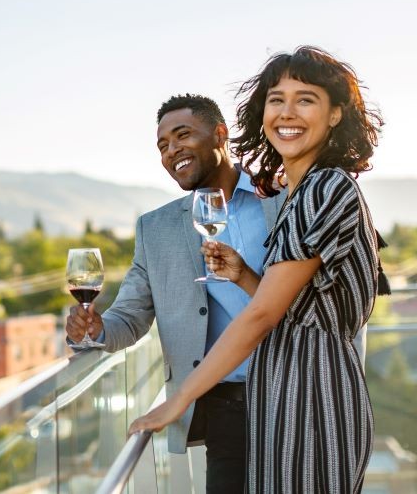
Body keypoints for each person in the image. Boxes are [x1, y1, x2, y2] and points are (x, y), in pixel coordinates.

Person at [129, 46, 389, 493]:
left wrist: (181, 398)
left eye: (305, 99)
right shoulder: (300, 189)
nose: (287, 112)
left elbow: (263, 316)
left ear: (333, 115)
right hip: (285, 395)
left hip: (314, 395)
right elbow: (296, 303)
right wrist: (246, 276)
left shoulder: (324, 188)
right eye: (276, 99)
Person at [65, 93, 285, 494]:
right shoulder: (157, 228)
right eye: (163, 146)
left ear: (220, 134)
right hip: (224, 404)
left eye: (183, 135)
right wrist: (95, 328)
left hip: (297, 388)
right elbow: (129, 318)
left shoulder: (282, 199)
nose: (172, 151)